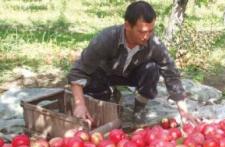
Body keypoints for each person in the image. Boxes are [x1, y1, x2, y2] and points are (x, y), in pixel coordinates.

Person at [67, 1, 195, 128]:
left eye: (150, 31)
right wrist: (80, 105)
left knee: (152, 69)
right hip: (105, 74)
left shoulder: (153, 43)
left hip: (131, 74)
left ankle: (138, 111)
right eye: (141, 31)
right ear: (127, 26)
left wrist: (184, 112)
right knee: (95, 82)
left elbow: (171, 73)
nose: (146, 36)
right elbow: (78, 71)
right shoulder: (107, 38)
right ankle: (101, 101)